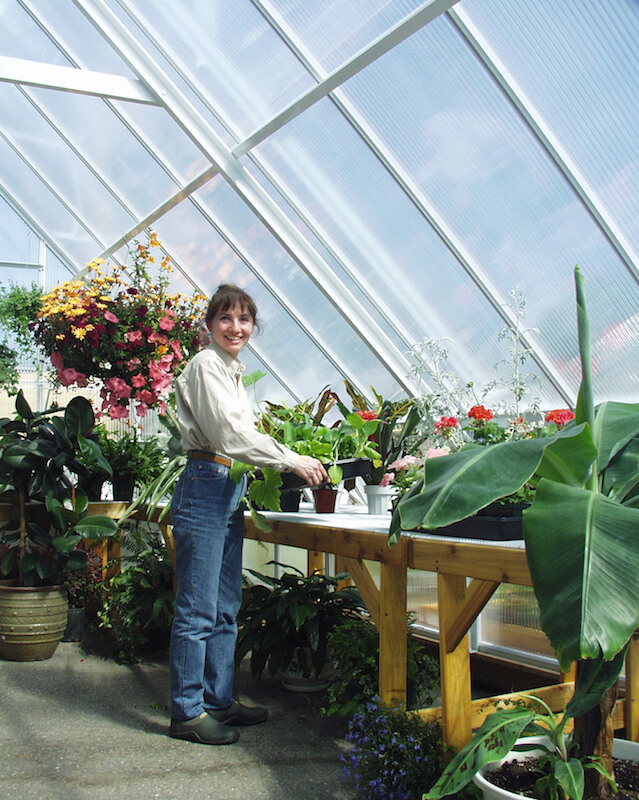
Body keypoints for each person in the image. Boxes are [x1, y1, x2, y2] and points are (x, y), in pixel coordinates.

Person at [168, 283, 328, 745]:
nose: (235, 327)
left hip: (227, 486)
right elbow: (230, 435)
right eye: (226, 318)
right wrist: (289, 459)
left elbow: (240, 438)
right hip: (204, 485)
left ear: (252, 326)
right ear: (210, 324)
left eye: (244, 320)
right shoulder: (205, 366)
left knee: (225, 606)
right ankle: (186, 713)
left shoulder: (230, 370)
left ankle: (217, 700)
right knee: (197, 608)